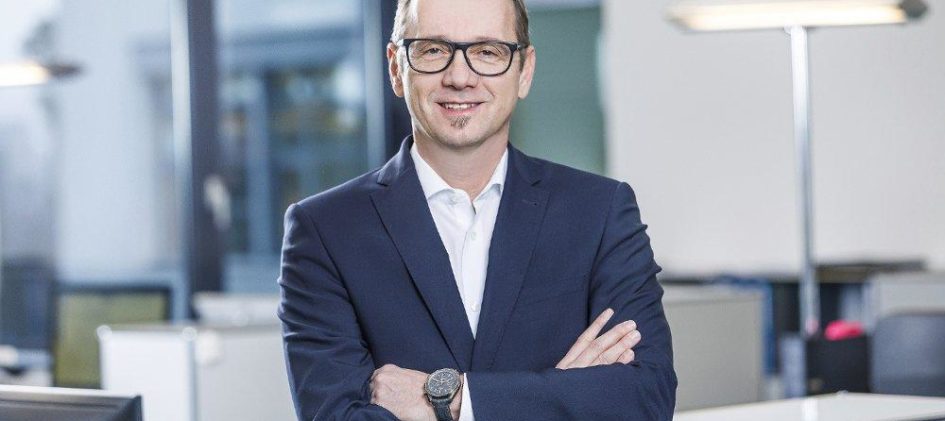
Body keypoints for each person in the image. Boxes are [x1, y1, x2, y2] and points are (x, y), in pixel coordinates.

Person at [277, 0, 677, 419]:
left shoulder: (599, 212)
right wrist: (559, 392)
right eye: (433, 50)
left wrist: (450, 399)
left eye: (488, 51)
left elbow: (646, 398)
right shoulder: (324, 231)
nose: (460, 77)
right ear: (396, 67)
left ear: (524, 71)